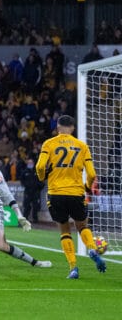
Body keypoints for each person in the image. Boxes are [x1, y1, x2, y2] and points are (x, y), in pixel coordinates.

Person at [35, 115, 106, 279]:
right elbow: (92, 173)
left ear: (57, 128)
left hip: (56, 193)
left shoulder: (49, 144)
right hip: (76, 193)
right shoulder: (82, 146)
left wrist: (41, 177)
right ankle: (92, 248)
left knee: (64, 230)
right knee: (82, 226)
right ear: (73, 128)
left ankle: (73, 268)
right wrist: (87, 187)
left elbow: (40, 166)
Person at [19, 158, 43, 223]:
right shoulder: (25, 172)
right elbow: (22, 180)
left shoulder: (37, 171)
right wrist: (26, 185)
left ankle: (35, 219)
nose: (30, 164)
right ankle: (25, 219)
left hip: (36, 192)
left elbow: (41, 180)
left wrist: (39, 187)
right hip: (28, 191)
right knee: (26, 206)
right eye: (29, 163)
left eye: (31, 163)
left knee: (35, 206)